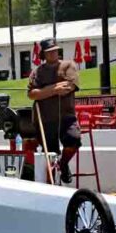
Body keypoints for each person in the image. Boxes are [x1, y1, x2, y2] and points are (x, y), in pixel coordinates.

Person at [27, 37, 81, 184]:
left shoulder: (69, 65)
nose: (52, 54)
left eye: (55, 51)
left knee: (74, 140)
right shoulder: (37, 71)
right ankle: (52, 183)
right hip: (45, 119)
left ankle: (63, 164)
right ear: (43, 54)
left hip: (67, 116)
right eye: (49, 52)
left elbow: (70, 86)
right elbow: (32, 94)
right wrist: (54, 89)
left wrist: (44, 91)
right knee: (51, 153)